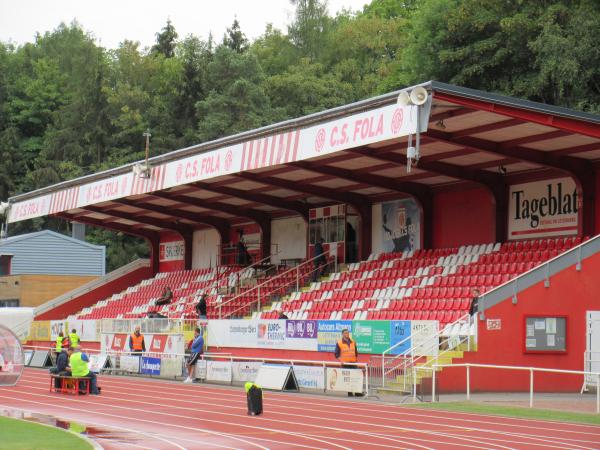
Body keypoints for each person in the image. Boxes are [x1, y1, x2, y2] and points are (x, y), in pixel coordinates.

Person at [334, 328, 360, 397]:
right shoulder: (339, 343)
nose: (347, 334)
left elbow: (356, 352)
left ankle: (357, 392)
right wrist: (341, 360)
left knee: (356, 377)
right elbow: (336, 354)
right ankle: (350, 393)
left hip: (353, 363)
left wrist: (356, 359)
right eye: (345, 333)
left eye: (348, 333)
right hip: (345, 364)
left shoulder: (353, 342)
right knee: (348, 379)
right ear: (342, 334)